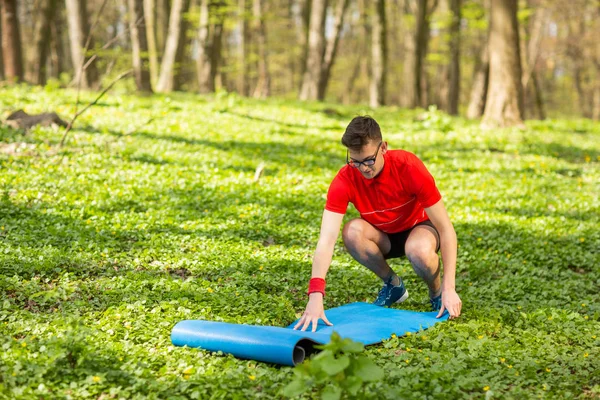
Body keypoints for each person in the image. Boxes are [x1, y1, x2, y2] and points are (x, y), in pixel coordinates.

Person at [294, 116, 462, 332]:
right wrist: (315, 295)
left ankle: (437, 293)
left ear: (383, 148)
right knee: (352, 231)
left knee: (418, 249)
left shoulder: (408, 166)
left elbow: (446, 230)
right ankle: (393, 285)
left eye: (369, 160)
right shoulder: (345, 179)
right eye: (355, 161)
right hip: (384, 235)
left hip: (419, 229)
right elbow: (326, 240)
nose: (363, 168)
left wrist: (450, 287)